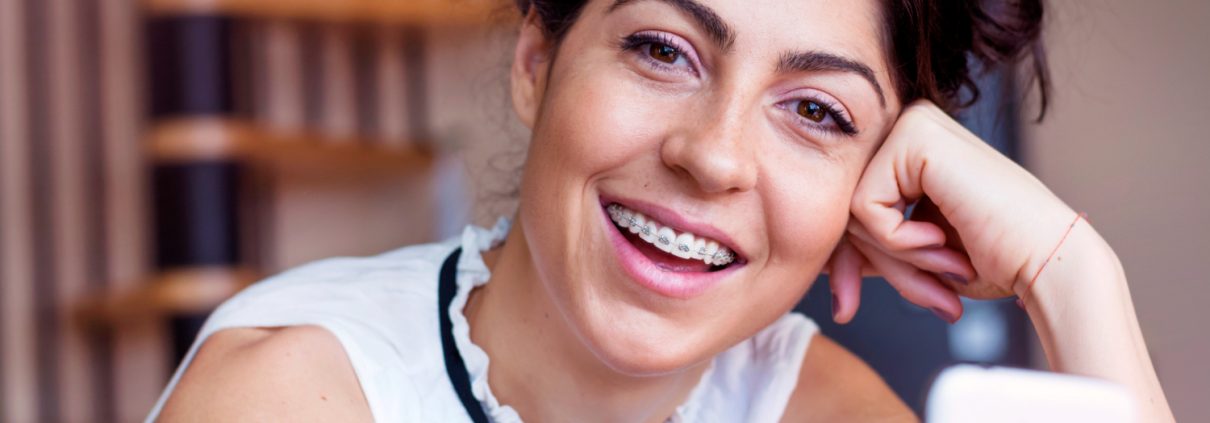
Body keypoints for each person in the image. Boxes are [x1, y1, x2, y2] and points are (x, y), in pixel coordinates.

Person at [150, 0, 1176, 421]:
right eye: (660, 50)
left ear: (870, 181)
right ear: (537, 63)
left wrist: (1068, 270)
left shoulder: (819, 411)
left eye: (815, 111)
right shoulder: (297, 397)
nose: (712, 155)